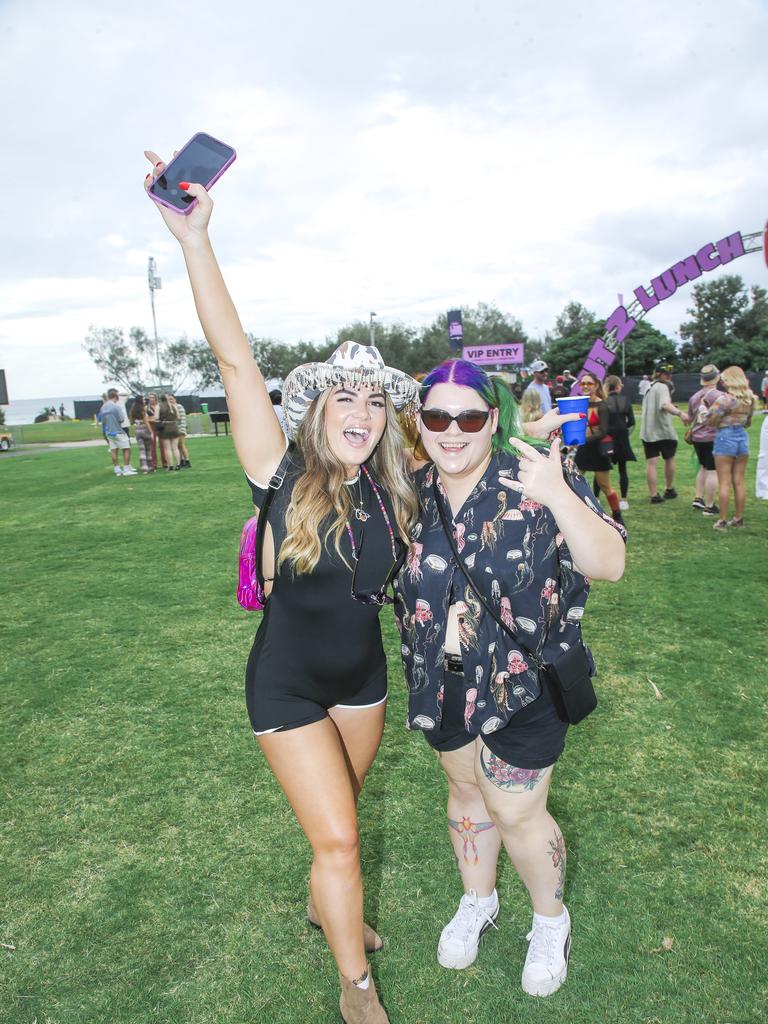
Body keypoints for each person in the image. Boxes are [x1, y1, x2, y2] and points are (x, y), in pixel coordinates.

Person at [144, 149, 420, 1024]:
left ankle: (320, 901)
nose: (360, 410)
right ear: (316, 408)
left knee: (340, 821)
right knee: (337, 836)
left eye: (374, 401)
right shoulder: (279, 472)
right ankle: (354, 984)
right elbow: (233, 362)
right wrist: (194, 243)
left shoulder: (391, 485)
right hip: (290, 684)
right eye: (344, 397)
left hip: (364, 685)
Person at [393, 358, 625, 999]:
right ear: (422, 423)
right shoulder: (410, 491)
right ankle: (479, 900)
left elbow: (609, 564)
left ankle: (551, 921)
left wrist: (556, 493)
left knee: (516, 808)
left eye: (468, 416)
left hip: (523, 680)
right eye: (437, 416)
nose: (453, 430)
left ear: (492, 419)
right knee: (466, 792)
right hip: (440, 679)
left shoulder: (536, 475)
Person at [704, 366, 757, 530]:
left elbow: (710, 420)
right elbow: (748, 422)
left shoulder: (725, 399)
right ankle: (738, 518)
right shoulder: (751, 399)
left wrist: (704, 410)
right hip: (742, 438)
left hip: (725, 438)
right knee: (739, 482)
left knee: (725, 482)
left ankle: (722, 521)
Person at [573, 375, 624, 525]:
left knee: (605, 486)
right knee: (574, 482)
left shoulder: (603, 406)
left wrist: (583, 441)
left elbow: (603, 431)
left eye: (589, 383)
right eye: (583, 384)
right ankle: (578, 514)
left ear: (596, 386)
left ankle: (617, 515)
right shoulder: (580, 404)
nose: (586, 386)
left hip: (598, 450)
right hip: (583, 450)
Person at [639, 363, 687, 504]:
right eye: (666, 374)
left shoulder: (650, 386)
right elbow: (664, 405)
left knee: (651, 462)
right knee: (669, 458)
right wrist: (680, 413)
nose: (669, 376)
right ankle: (669, 489)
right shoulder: (663, 387)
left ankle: (654, 495)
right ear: (660, 374)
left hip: (648, 431)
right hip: (664, 431)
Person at [686, 365, 721, 517]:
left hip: (698, 437)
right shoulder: (719, 396)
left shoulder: (694, 397)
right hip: (713, 436)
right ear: (716, 378)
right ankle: (709, 505)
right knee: (713, 470)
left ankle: (698, 497)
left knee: (703, 467)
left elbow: (689, 417)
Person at [604, 375, 636, 511]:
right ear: (618, 386)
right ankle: (624, 500)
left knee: (602, 468)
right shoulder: (625, 400)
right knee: (623, 470)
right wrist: (623, 426)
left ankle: (597, 498)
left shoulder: (604, 401)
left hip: (607, 438)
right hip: (622, 437)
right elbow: (632, 422)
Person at [98, 388, 136, 477]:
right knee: (127, 448)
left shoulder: (103, 407)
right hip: (118, 431)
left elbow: (103, 420)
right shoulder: (116, 407)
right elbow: (121, 419)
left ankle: (117, 469)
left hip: (108, 432)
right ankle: (126, 469)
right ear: (116, 397)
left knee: (113, 450)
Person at [129, 395, 155, 474]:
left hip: (137, 430)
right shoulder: (143, 410)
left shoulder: (133, 410)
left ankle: (144, 467)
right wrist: (151, 432)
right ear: (140, 400)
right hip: (145, 430)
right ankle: (150, 466)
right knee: (148, 449)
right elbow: (146, 421)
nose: (144, 400)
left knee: (141, 450)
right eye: (143, 399)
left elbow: (131, 422)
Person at [158, 394, 182, 471]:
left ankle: (170, 466)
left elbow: (156, 417)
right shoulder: (174, 406)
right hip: (174, 426)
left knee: (167, 448)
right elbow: (178, 417)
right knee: (175, 447)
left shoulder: (159, 406)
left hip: (165, 427)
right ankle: (178, 464)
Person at [171, 394, 191, 468]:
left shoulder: (179, 407)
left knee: (182, 445)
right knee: (178, 446)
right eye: (169, 400)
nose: (170, 401)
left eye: (171, 399)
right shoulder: (171, 408)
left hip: (180, 429)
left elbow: (182, 419)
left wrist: (181, 430)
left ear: (175, 399)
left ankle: (187, 461)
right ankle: (182, 461)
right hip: (174, 429)